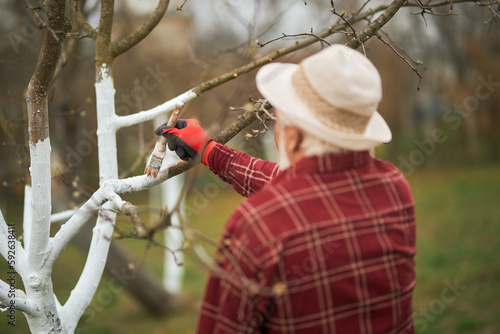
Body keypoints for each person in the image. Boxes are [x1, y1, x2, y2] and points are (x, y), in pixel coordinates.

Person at [156, 44, 417, 333]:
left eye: (277, 121)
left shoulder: (257, 226)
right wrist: (209, 151)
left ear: (292, 139)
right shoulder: (394, 188)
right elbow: (296, 186)